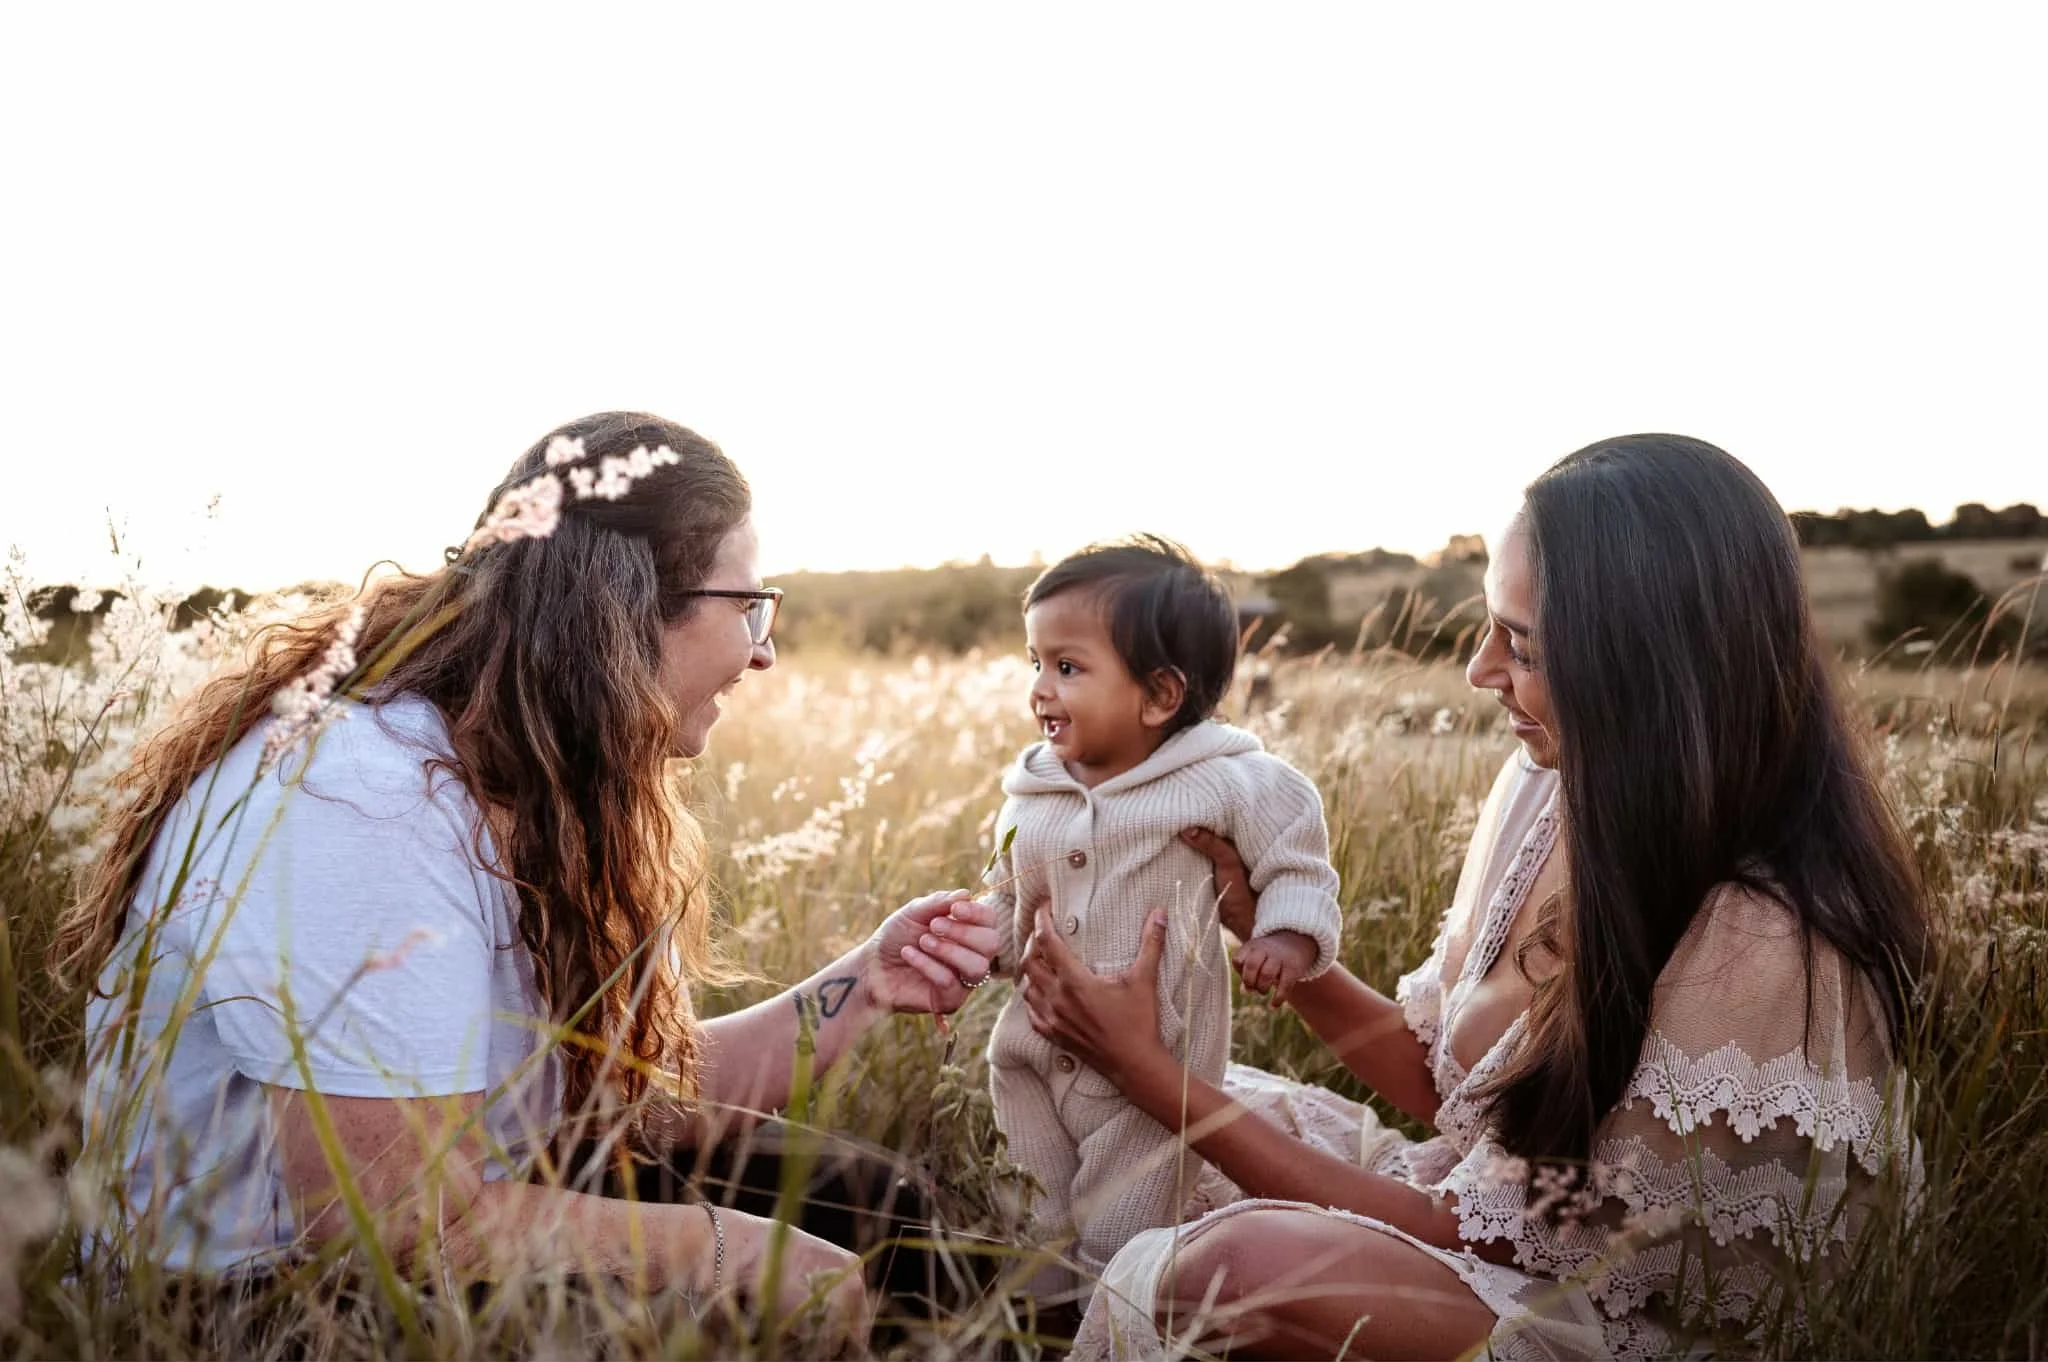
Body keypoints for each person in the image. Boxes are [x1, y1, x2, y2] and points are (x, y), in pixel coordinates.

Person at [54, 412, 1002, 1350]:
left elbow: (616, 1096)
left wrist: (865, 986)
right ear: (623, 610)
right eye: (748, 607)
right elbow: (379, 1228)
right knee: (761, 1286)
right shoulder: (360, 804)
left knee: (879, 1211)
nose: (764, 651)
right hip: (253, 1302)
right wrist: (739, 1254)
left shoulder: (536, 780)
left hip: (454, 1213)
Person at [1016, 435, 1928, 1360]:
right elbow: (1454, 1091)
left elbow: (1507, 1240)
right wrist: (1270, 943)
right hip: (1485, 1223)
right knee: (1129, 1130)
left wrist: (1152, 1074)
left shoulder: (1761, 938)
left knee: (1235, 1258)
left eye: (1521, 643)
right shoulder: (1546, 789)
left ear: (1639, 667)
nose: (1480, 669)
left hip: (1610, 1320)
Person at [975, 535, 1343, 1298]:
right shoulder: (1033, 790)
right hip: (1030, 1053)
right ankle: (1038, 1314)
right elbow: (1011, 889)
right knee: (1033, 1213)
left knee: (1124, 1232)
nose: (1040, 689)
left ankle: (1110, 1321)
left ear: (1160, 695)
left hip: (1155, 1072)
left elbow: (1296, 853)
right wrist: (981, 933)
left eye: (1067, 667)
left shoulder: (1227, 779)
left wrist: (1285, 932)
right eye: (1033, 663)